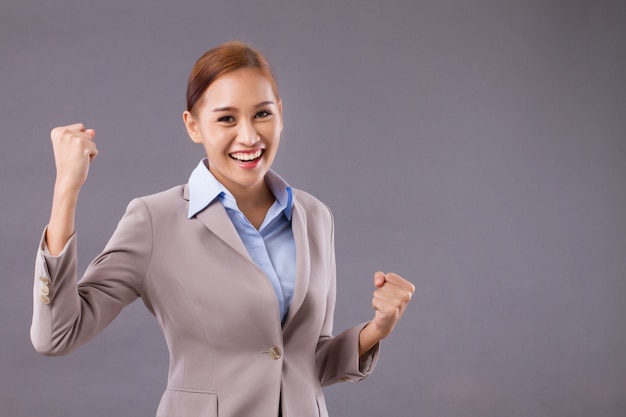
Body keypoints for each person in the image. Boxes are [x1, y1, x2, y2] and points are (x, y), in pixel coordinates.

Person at [31, 41, 415, 417]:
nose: (248, 137)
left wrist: (377, 329)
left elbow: (304, 362)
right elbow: (57, 334)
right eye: (227, 118)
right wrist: (66, 188)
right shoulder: (155, 220)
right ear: (193, 126)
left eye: (262, 114)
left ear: (280, 113)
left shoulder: (314, 216)